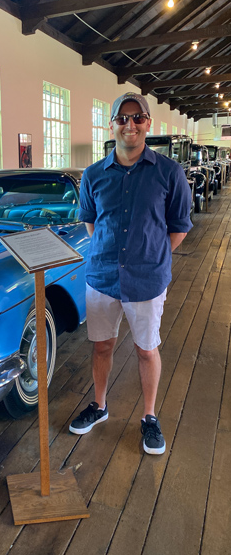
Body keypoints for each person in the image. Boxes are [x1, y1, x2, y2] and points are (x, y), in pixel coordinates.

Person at [69, 92, 193, 454]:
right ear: (111, 125)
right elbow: (91, 223)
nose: (130, 124)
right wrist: (113, 256)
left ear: (148, 123)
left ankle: (149, 417)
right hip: (103, 278)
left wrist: (151, 255)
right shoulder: (93, 175)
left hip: (147, 280)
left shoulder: (169, 173)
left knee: (146, 349)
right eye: (122, 118)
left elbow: (179, 226)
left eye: (137, 117)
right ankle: (100, 405)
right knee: (102, 345)